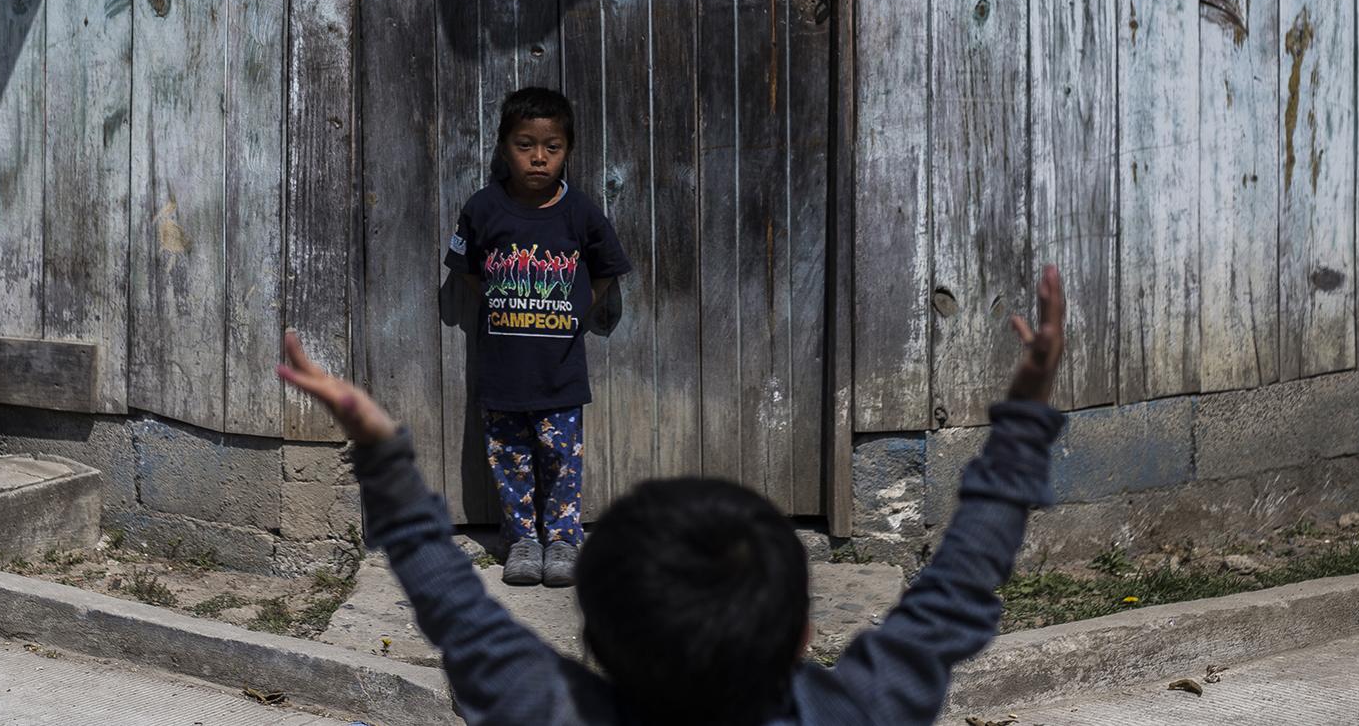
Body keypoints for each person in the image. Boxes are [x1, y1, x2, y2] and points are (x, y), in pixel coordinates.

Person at [278, 264, 1067, 726]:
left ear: (587, 633)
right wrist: (1026, 409)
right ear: (803, 635)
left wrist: (381, 451)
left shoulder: (545, 708)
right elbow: (958, 589)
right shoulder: (857, 711)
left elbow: (453, 601)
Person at [442, 86, 632, 588]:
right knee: (509, 457)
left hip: (560, 371)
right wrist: (500, 299)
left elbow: (608, 267)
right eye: (526, 144)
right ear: (504, 147)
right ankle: (522, 541)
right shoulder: (483, 209)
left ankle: (564, 539)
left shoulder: (580, 213)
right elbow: (465, 269)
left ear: (568, 151)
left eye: (552, 147)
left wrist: (576, 308)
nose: (539, 157)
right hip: (502, 369)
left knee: (561, 458)